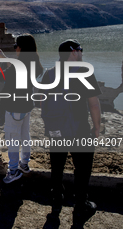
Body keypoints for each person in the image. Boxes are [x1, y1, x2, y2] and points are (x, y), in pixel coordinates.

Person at [41, 39, 102, 218]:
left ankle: (56, 200)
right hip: (79, 129)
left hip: (55, 129)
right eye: (80, 50)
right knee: (82, 168)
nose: (82, 53)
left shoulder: (49, 74)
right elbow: (94, 105)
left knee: (57, 166)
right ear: (73, 52)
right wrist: (97, 128)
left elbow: (42, 102)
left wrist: (50, 125)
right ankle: (81, 204)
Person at [0, 34, 43, 184]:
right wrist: (2, 56)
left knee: (12, 138)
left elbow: (1, 77)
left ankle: (14, 170)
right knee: (24, 134)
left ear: (21, 48)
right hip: (26, 105)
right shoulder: (34, 63)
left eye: (16, 46)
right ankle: (24, 164)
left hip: (14, 107)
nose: (15, 49)